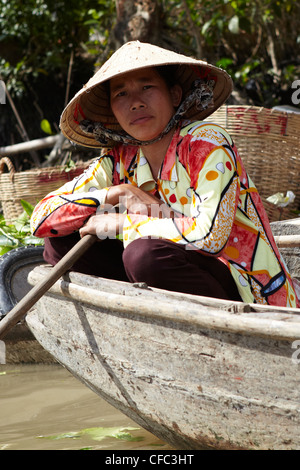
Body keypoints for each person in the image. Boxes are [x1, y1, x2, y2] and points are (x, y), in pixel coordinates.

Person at [31, 41, 299, 307]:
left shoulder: (207, 144)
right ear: (112, 109)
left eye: (147, 87)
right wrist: (120, 193)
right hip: (161, 278)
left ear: (174, 95)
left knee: (144, 255)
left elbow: (210, 238)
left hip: (244, 287)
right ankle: (133, 315)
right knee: (60, 241)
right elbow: (42, 218)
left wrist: (124, 223)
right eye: (121, 94)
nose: (135, 103)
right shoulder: (118, 160)